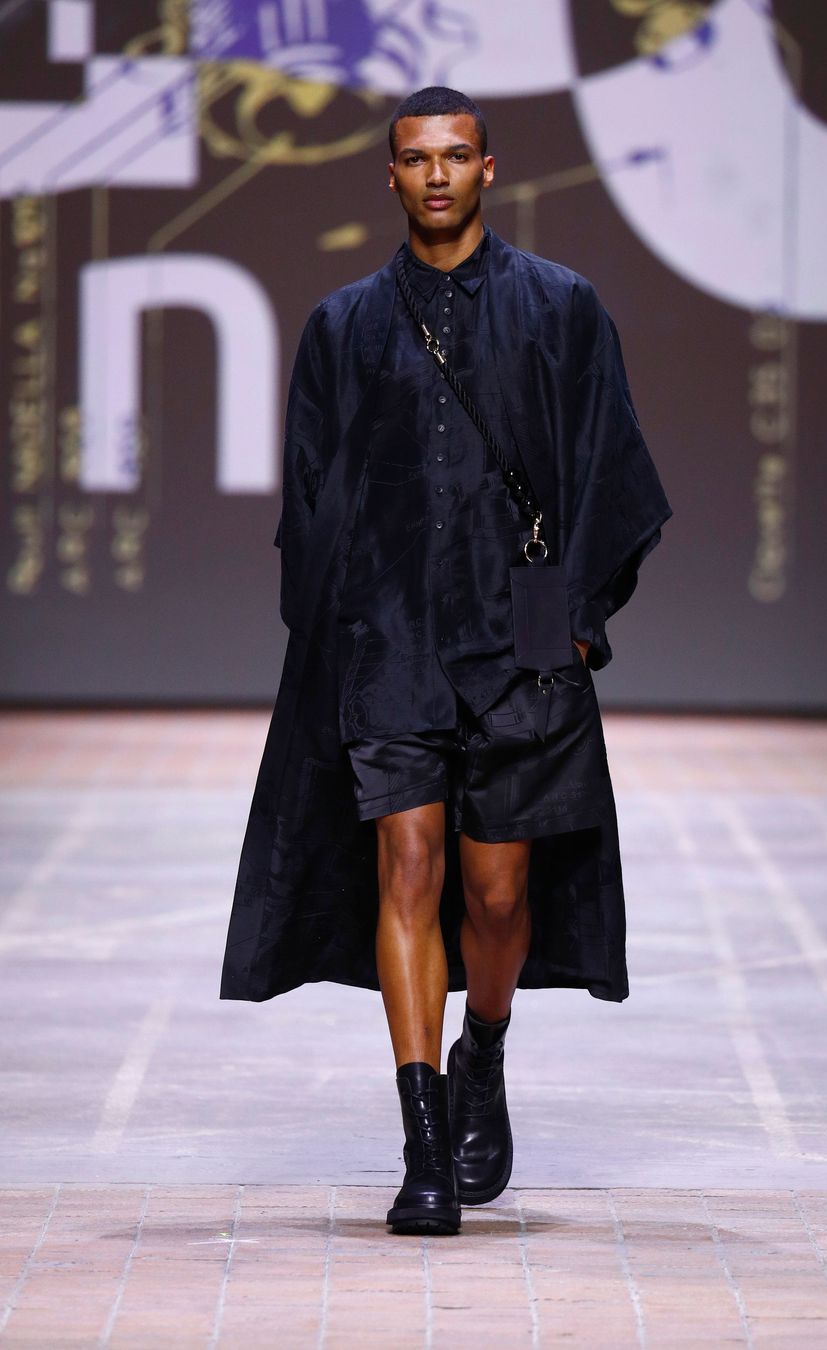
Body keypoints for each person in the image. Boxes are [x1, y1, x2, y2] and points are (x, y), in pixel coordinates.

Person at [220, 86, 671, 1236]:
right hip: (390, 647)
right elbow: (308, 500)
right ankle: (423, 1149)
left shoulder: (561, 308)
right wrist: (331, 637)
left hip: (517, 648)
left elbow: (612, 468)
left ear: (487, 169)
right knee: (408, 870)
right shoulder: (343, 326)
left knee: (499, 895)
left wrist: (576, 620)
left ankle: (486, 1046)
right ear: (390, 174)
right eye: (417, 158)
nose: (436, 175)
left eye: (456, 156)